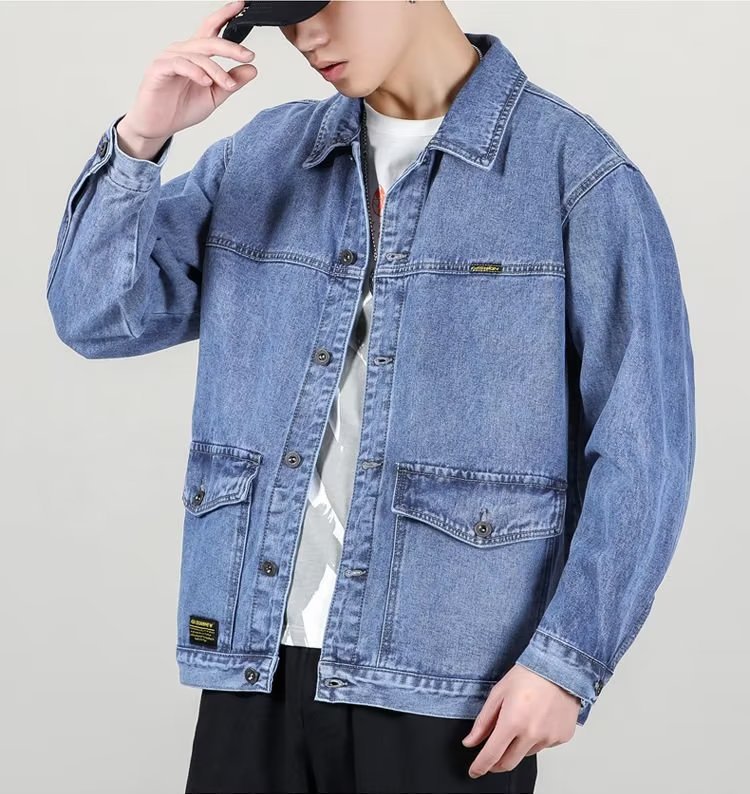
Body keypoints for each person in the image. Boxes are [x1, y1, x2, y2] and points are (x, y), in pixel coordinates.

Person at [46, 1, 696, 792]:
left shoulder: (574, 173)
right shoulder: (265, 157)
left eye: (321, 4)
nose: (306, 35)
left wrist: (566, 661)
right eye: (284, 16)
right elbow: (96, 318)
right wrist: (140, 141)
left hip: (447, 682)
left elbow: (644, 446)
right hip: (256, 661)